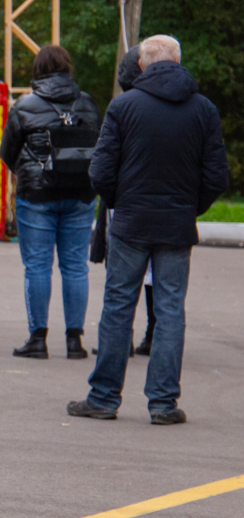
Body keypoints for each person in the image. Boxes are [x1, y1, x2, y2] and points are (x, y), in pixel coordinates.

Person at [69, 35, 228, 425]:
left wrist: (120, 203)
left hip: (131, 222)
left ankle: (104, 398)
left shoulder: (123, 106)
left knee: (118, 307)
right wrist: (191, 207)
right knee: (171, 309)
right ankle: (163, 403)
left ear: (142, 65)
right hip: (176, 224)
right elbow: (215, 176)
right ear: (178, 61)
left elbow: (101, 172)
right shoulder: (203, 109)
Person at [0, 45, 100, 359]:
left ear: (38, 70)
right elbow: (100, 144)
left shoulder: (24, 105)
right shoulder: (86, 103)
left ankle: (38, 339)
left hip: (37, 194)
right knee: (75, 268)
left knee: (38, 267)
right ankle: (74, 341)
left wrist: (28, 172)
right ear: (67, 68)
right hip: (80, 192)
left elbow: (8, 153)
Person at [91, 47, 157, 355]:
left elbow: (104, 165)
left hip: (126, 207)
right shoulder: (189, 106)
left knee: (121, 280)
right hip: (172, 209)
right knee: (159, 280)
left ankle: (121, 342)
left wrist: (112, 198)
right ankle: (155, 333)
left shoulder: (122, 107)